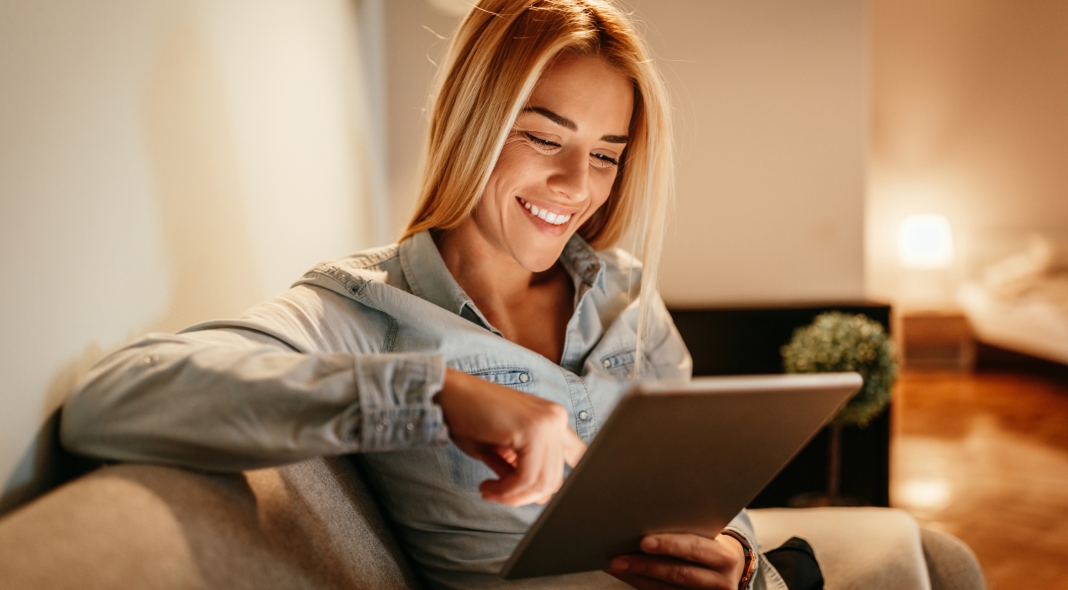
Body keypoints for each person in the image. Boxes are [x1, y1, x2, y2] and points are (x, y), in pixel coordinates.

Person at [61, 1, 781, 588]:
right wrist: (435, 392)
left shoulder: (627, 292)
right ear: (471, 124)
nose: (576, 185)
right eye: (541, 136)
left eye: (604, 156)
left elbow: (706, 495)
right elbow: (112, 399)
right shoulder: (365, 309)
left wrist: (739, 559)